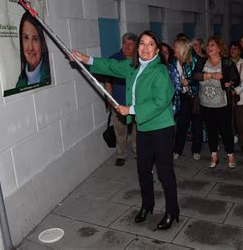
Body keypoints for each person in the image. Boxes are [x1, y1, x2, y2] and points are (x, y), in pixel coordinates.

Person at [71, 30, 179, 230]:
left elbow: (160, 101)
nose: (145, 48)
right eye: (142, 44)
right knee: (143, 170)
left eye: (150, 45)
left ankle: (172, 210)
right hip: (144, 127)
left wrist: (131, 109)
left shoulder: (160, 71)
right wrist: (86, 59)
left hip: (161, 128)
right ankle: (147, 205)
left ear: (157, 50)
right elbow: (111, 66)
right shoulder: (132, 66)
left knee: (164, 172)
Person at [193, 36, 240, 168]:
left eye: (212, 45)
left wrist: (229, 82)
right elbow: (195, 76)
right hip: (205, 103)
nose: (209, 47)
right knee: (211, 130)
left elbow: (236, 79)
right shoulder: (202, 62)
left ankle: (230, 154)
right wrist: (211, 75)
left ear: (219, 48)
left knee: (225, 130)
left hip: (222, 103)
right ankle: (214, 154)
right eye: (208, 45)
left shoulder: (227, 63)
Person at [104, 33, 138, 167]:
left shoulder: (139, 60)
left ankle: (138, 152)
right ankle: (121, 154)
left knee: (137, 129)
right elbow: (107, 81)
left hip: (136, 103)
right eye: (124, 43)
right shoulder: (114, 59)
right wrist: (109, 99)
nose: (126, 46)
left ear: (135, 46)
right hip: (118, 102)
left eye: (130, 44)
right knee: (120, 130)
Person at [171, 36, 203, 161]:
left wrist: (188, 81)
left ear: (181, 49)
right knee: (182, 124)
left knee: (197, 124)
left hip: (195, 96)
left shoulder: (194, 60)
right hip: (183, 96)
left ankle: (196, 150)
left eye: (175, 47)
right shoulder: (174, 61)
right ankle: (177, 150)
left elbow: (200, 77)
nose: (173, 49)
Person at [16, 12, 51, 88]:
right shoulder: (19, 84)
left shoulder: (50, 76)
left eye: (35, 39)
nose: (30, 47)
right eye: (26, 38)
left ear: (42, 43)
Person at [229, 41, 243, 152]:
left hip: (241, 97)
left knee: (241, 121)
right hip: (227, 96)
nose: (233, 50)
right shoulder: (226, 63)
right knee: (229, 120)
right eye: (231, 48)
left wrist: (235, 91)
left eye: (235, 48)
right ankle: (231, 140)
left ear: (239, 51)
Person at [161, 42, 182, 115]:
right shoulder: (151, 69)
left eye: (167, 52)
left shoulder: (171, 68)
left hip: (170, 106)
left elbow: (178, 87)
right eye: (162, 52)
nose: (165, 54)